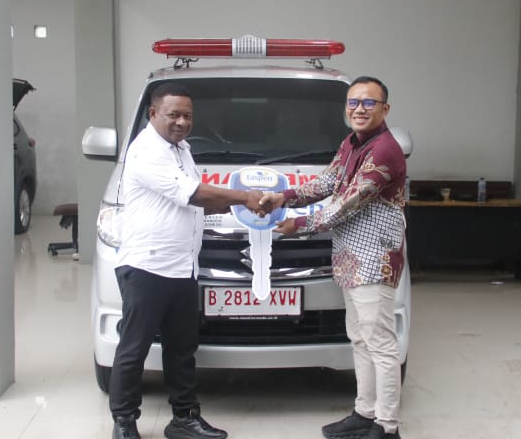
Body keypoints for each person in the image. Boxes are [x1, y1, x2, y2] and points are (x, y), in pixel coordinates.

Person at [110, 83, 266, 439]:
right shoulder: (147, 151)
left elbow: (195, 203)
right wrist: (245, 197)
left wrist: (243, 208)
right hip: (148, 266)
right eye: (173, 115)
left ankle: (184, 418)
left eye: (187, 116)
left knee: (182, 348)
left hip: (182, 267)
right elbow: (194, 194)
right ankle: (124, 422)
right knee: (134, 347)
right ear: (153, 114)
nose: (181, 122)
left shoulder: (181, 150)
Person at [259, 76, 407, 439]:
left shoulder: (385, 151)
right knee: (360, 339)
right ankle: (365, 413)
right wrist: (284, 197)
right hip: (350, 259)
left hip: (374, 261)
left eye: (369, 103)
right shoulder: (351, 143)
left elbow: (345, 205)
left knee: (381, 344)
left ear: (385, 109)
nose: (359, 109)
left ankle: (387, 427)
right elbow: (327, 183)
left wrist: (297, 224)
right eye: (353, 102)